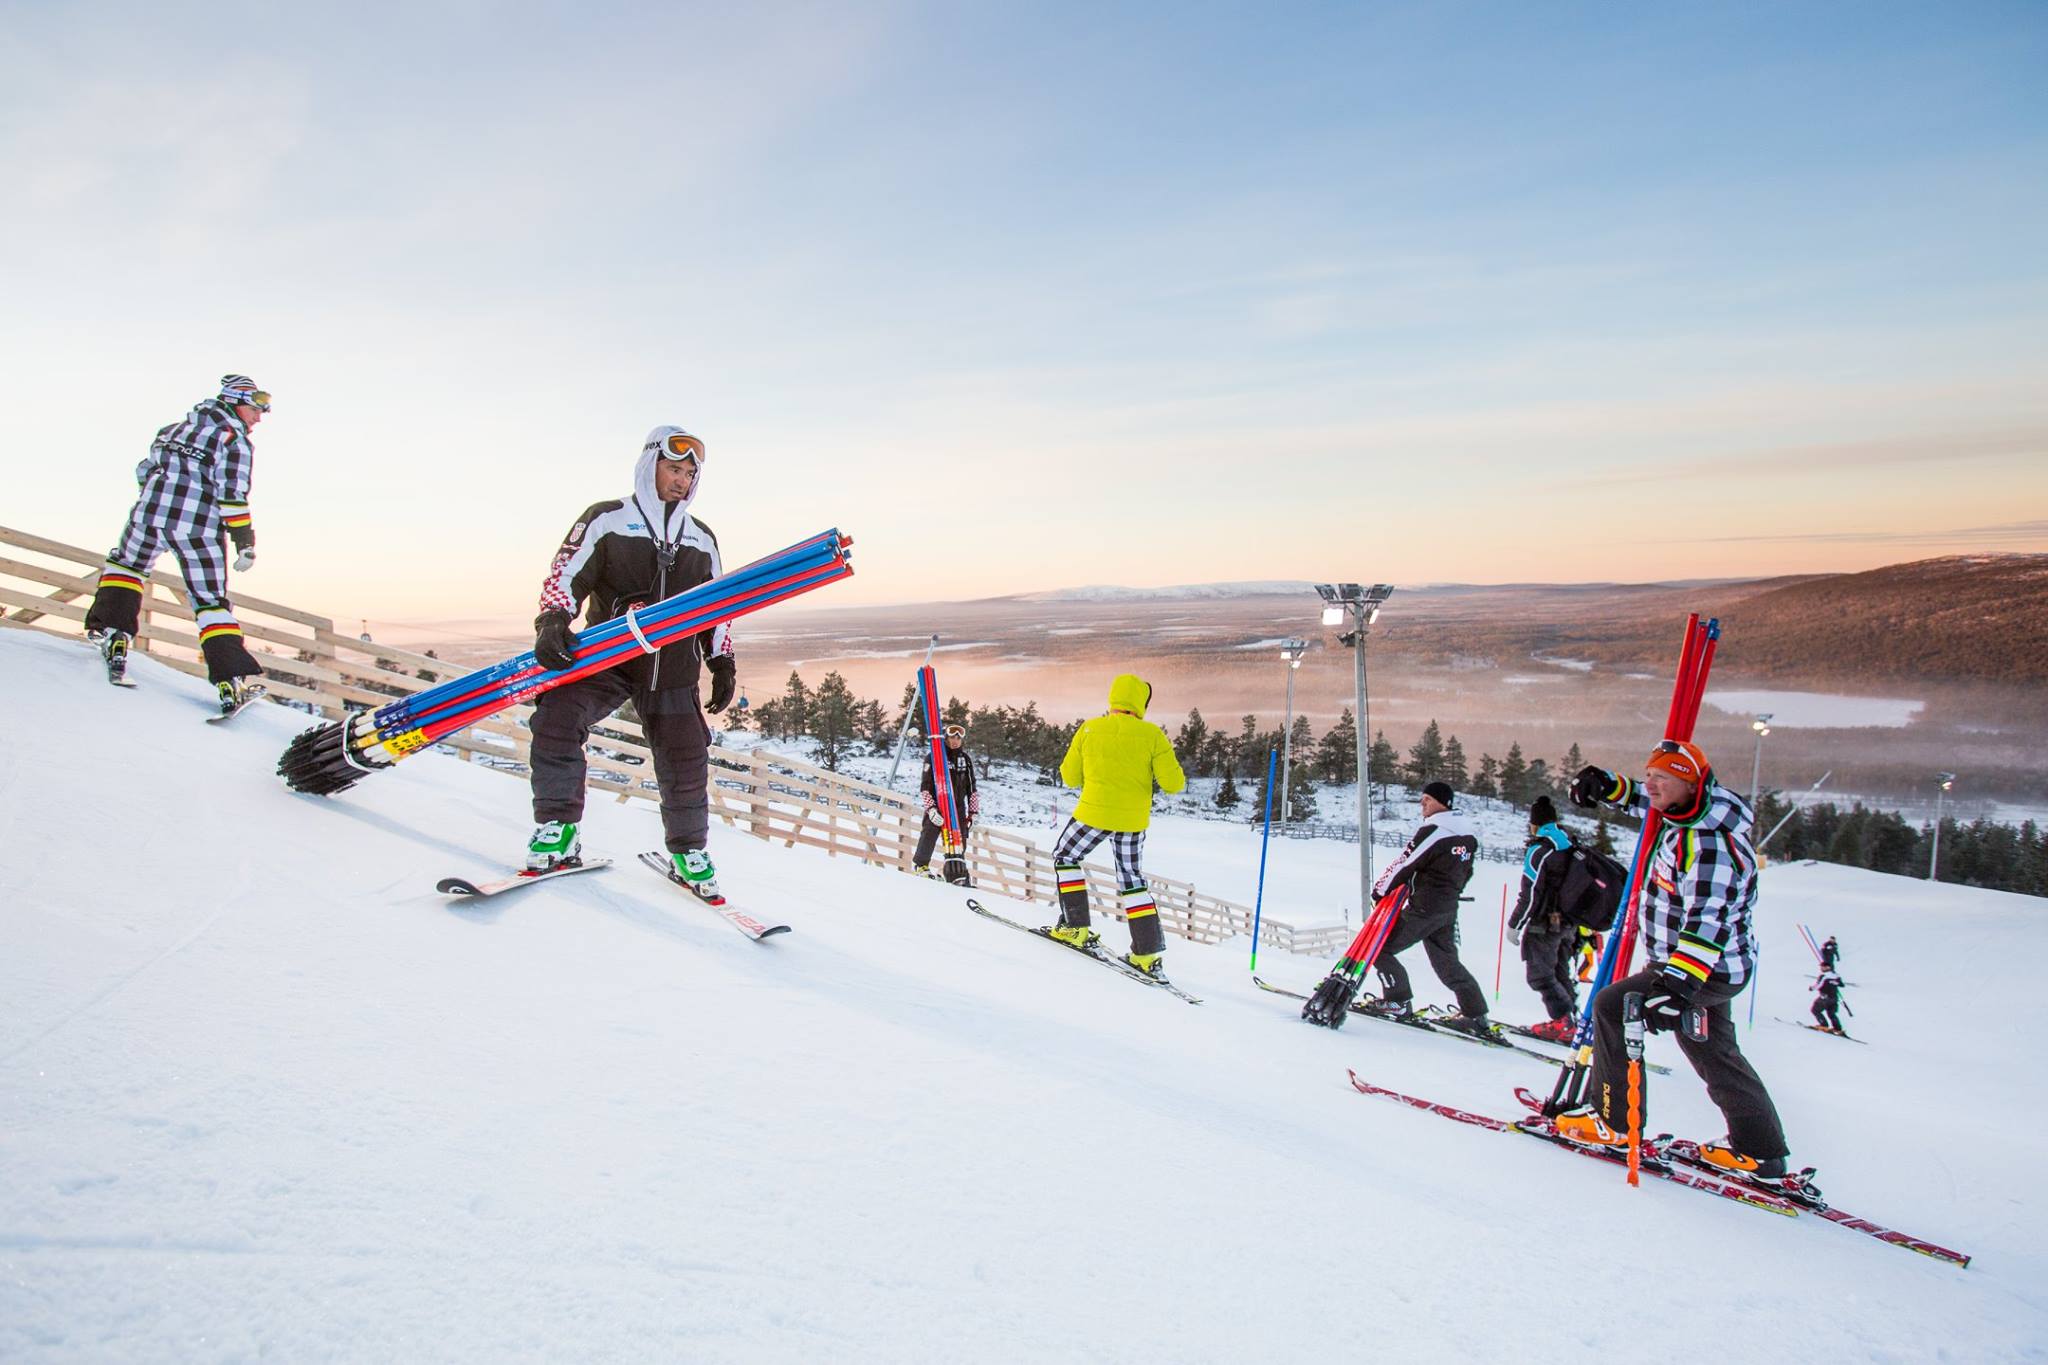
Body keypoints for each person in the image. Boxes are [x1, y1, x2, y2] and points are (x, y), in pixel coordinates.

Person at [1557, 740, 1792, 1182]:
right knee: (1710, 1047)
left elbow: (1709, 920)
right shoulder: (1687, 812)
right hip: (1700, 965)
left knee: (1613, 1006)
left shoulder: (1709, 846)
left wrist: (1677, 985)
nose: (1651, 785)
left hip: (1699, 966)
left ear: (1692, 784)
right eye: (1648, 775)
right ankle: (1760, 1150)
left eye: (1662, 778)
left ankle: (1615, 1123)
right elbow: (1649, 802)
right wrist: (1610, 788)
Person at [523, 426, 737, 895]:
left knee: (685, 757)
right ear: (650, 465)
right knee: (556, 719)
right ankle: (558, 828)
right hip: (611, 655)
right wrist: (554, 620)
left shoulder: (701, 538)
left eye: (688, 474)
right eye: (672, 468)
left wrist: (720, 660)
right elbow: (566, 572)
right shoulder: (608, 519)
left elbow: (719, 605)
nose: (680, 481)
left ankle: (687, 850)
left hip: (674, 667)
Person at [83, 374, 269, 712]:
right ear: (235, 402)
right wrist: (244, 539)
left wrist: (156, 499)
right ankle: (230, 682)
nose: (259, 418)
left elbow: (145, 470)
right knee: (210, 602)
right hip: (197, 526)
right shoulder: (233, 440)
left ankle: (114, 634)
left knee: (126, 568)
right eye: (256, 409)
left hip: (148, 516)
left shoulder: (172, 430)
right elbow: (232, 494)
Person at [1045, 673, 1187, 977]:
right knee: (1132, 879)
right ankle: (1147, 955)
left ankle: (1075, 927)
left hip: (1092, 815)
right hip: (1132, 822)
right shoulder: (1153, 736)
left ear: (1114, 698)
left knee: (1066, 857)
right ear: (1141, 703)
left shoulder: (1090, 728)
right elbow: (1174, 784)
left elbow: (1069, 777)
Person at [1369, 781, 1492, 1035]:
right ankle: (1475, 1012)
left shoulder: (1436, 830)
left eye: (1427, 798)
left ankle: (1398, 1000)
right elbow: (1467, 871)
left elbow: (1406, 863)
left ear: (1442, 802)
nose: (1422, 803)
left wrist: (1380, 891)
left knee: (1378, 947)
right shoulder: (1466, 835)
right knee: (1447, 962)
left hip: (1424, 907)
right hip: (1446, 908)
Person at [1508, 795, 1581, 1041]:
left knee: (1539, 974)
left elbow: (1530, 891)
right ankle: (1571, 1021)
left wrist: (1515, 924)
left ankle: (1562, 1022)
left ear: (1534, 823)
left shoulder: (1540, 849)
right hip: (1568, 921)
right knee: (1560, 970)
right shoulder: (1569, 843)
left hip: (1545, 922)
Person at [912, 723, 979, 879]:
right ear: (946, 737)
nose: (955, 741)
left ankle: (952, 870)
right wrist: (931, 809)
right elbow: (925, 786)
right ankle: (921, 865)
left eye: (958, 738)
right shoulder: (934, 756)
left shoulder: (965, 760)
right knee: (929, 832)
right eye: (951, 737)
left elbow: (972, 788)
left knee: (959, 839)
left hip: (958, 808)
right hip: (939, 805)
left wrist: (973, 812)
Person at [1810, 969, 1847, 1034]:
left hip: (1825, 998)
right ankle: (1838, 1029)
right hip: (1834, 998)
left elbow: (1818, 985)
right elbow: (1842, 985)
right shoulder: (1836, 976)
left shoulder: (1823, 976)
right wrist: (1834, 983)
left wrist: (1812, 988)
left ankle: (1824, 1025)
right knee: (1831, 1013)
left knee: (1815, 1010)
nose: (1822, 968)